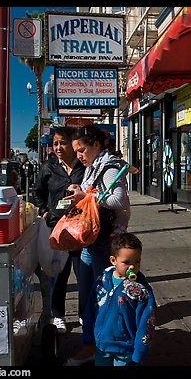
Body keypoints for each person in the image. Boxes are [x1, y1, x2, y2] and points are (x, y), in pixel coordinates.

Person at [64, 125, 131, 366]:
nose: (79, 155)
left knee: (102, 296)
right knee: (88, 294)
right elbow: (96, 194)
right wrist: (79, 191)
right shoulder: (93, 167)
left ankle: (100, 345)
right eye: (77, 151)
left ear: (95, 144)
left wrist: (86, 197)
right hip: (92, 238)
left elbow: (118, 199)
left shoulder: (109, 166)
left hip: (105, 240)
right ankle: (93, 343)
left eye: (82, 150)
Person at [32, 126, 86, 334]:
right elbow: (38, 193)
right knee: (57, 275)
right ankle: (57, 315)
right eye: (55, 143)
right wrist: (45, 212)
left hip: (81, 228)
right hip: (57, 229)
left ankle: (84, 314)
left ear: (72, 144)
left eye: (62, 142)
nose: (58, 147)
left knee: (84, 275)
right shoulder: (49, 166)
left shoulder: (84, 166)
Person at [82, 232, 156, 366]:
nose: (132, 267)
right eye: (126, 262)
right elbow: (90, 309)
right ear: (113, 260)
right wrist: (88, 335)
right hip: (102, 345)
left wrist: (139, 352)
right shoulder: (102, 279)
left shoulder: (140, 290)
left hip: (125, 348)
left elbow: (146, 322)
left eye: (137, 261)